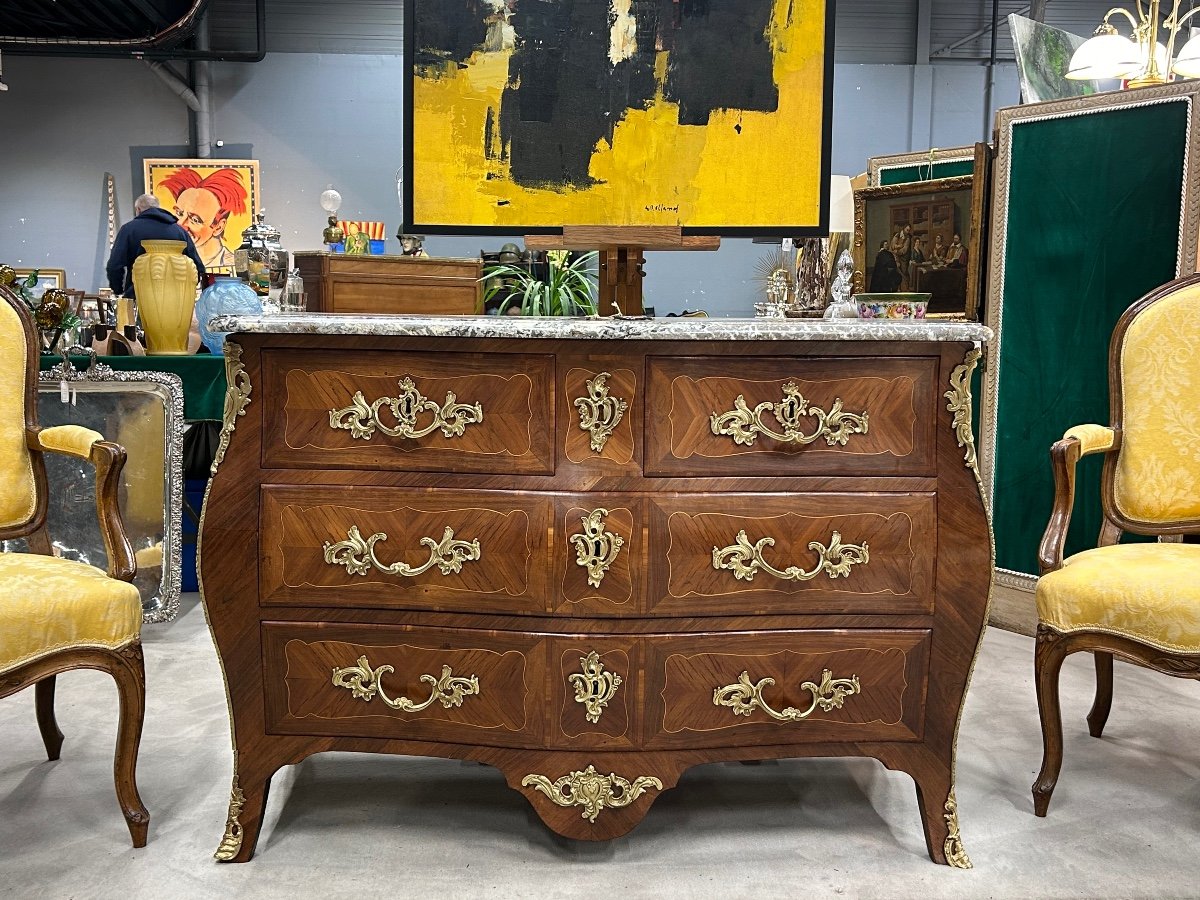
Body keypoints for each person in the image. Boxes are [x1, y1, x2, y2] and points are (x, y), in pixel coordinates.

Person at [105, 194, 205, 298]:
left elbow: (114, 266)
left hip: (139, 295)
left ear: (138, 209)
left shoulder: (129, 230)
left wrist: (119, 291)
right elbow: (198, 268)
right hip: (174, 299)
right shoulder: (179, 231)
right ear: (158, 207)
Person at [159, 166, 249, 270]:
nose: (180, 224)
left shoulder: (235, 266)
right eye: (179, 213)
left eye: (195, 220)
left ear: (218, 227)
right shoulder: (170, 264)